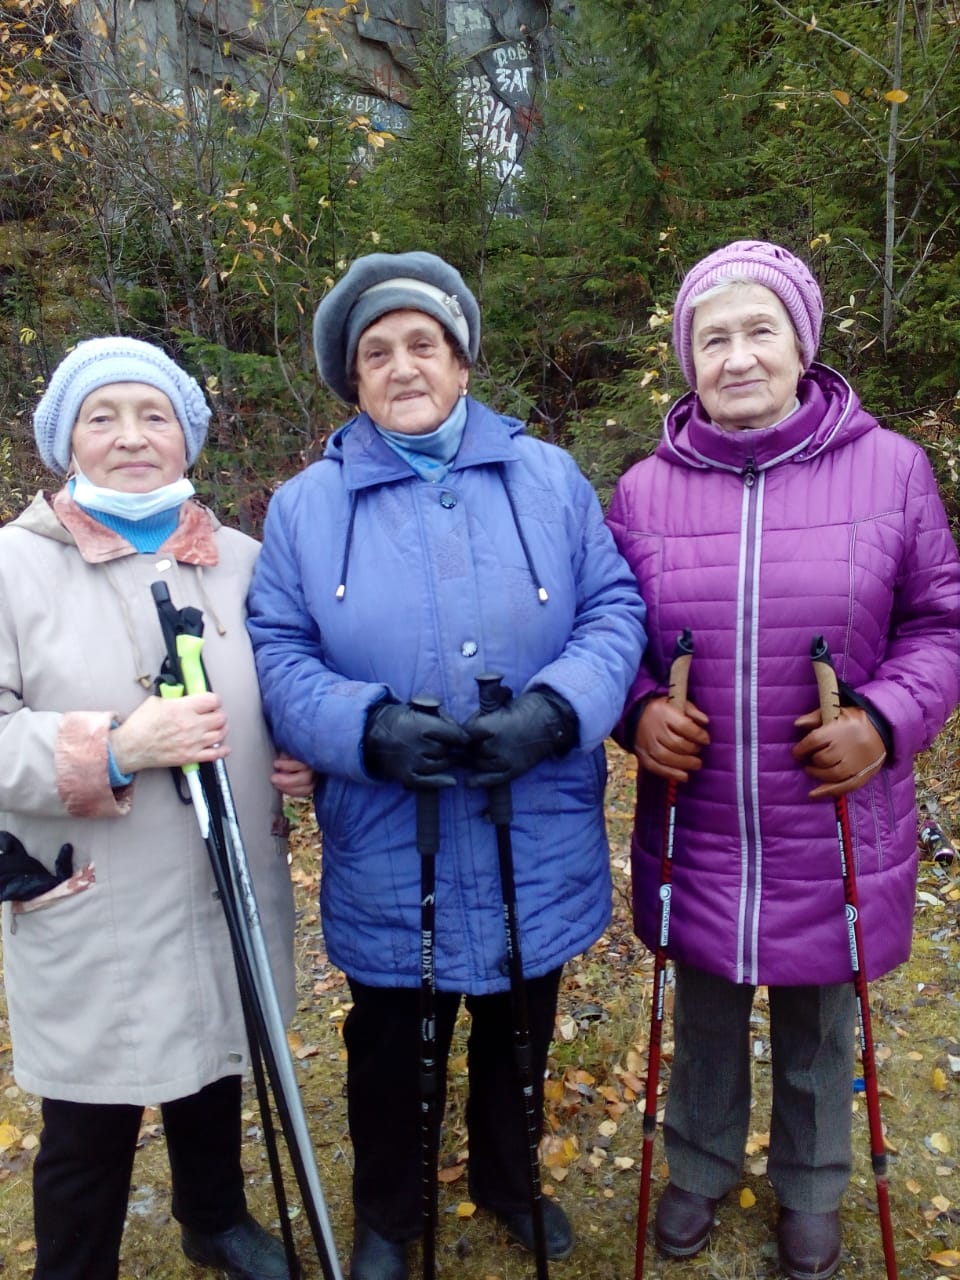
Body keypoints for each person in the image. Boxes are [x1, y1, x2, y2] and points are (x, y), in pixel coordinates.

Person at [246, 251, 647, 1280]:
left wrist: (559, 710)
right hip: (390, 831)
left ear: (462, 363)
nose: (403, 365)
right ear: (353, 381)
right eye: (377, 352)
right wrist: (362, 729)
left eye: (423, 344)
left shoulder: (549, 478)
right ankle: (392, 1210)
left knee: (521, 1023)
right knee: (390, 1036)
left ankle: (510, 1181)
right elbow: (278, 649)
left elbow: (613, 609)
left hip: (533, 821)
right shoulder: (304, 507)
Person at [606, 240, 960, 1279]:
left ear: (802, 344)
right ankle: (700, 1164)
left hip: (834, 809)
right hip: (702, 811)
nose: (738, 355)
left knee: (819, 1013)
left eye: (760, 329)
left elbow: (940, 623)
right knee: (707, 1002)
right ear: (687, 359)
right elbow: (608, 635)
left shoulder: (891, 469)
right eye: (713, 337)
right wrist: (636, 713)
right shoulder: (643, 491)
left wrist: (884, 721)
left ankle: (811, 1185)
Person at [0, 337, 315, 1280]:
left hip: (227, 878)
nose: (131, 437)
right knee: (89, 1112)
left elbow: (288, 682)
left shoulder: (247, 562)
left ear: (188, 437)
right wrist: (115, 747)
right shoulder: (12, 567)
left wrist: (301, 752)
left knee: (215, 1054)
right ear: (67, 440)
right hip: (93, 887)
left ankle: (212, 1218)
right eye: (102, 418)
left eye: (154, 416)